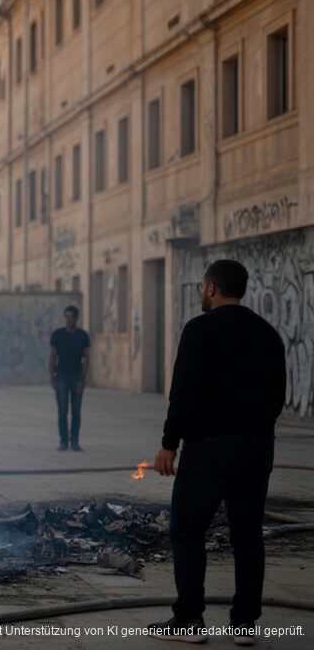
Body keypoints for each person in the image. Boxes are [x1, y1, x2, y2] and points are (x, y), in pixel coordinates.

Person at [149, 260, 286, 645]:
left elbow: (185, 393)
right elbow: (279, 395)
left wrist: (168, 444)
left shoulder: (201, 329)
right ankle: (244, 626)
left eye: (201, 287)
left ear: (210, 288)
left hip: (211, 448)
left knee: (187, 530)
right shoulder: (267, 332)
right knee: (248, 536)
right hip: (259, 446)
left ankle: (188, 621)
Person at [49, 305, 90, 451]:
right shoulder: (57, 335)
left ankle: (74, 441)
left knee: (76, 411)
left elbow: (86, 359)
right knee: (62, 410)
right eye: (67, 316)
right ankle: (63, 441)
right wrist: (52, 377)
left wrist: (83, 380)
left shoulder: (83, 336)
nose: (70, 319)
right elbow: (53, 356)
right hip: (61, 377)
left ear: (77, 318)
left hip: (76, 376)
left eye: (72, 316)